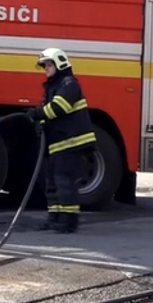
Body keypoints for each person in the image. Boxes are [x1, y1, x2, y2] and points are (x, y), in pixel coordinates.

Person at [24, 47, 98, 233]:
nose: (46, 68)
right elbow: (48, 112)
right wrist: (39, 121)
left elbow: (59, 107)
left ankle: (68, 221)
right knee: (52, 184)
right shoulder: (53, 86)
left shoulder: (69, 83)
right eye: (44, 66)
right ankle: (55, 218)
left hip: (71, 143)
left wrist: (38, 113)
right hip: (57, 144)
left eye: (49, 65)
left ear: (60, 63)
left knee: (64, 183)